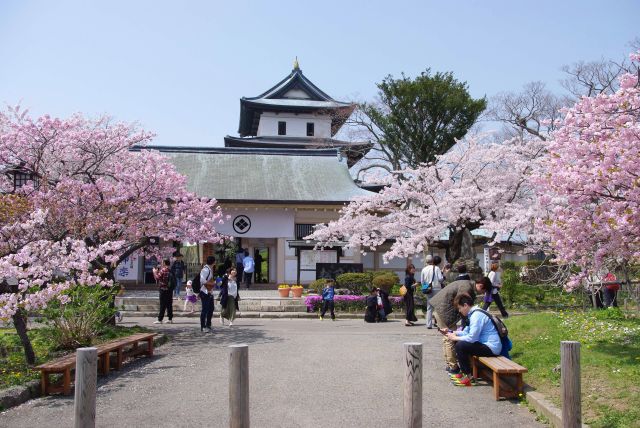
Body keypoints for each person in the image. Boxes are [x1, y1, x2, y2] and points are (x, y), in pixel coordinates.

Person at [446, 292, 502, 386]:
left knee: (461, 345)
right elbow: (467, 332)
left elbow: (472, 338)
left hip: (491, 347)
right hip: (484, 344)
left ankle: (468, 377)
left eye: (459, 308)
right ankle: (466, 372)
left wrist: (456, 337)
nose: (459, 311)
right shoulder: (473, 314)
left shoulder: (476, 316)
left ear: (465, 305)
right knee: (459, 342)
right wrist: (453, 332)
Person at [428, 278, 476, 374]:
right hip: (443, 310)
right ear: (480, 285)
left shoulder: (464, 283)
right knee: (449, 338)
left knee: (446, 338)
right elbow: (462, 303)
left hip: (440, 309)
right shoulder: (466, 287)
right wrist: (466, 318)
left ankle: (449, 365)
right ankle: (453, 366)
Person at [420, 256, 445, 329]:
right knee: (437, 307)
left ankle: (429, 324)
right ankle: (438, 323)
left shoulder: (424, 269)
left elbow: (422, 281)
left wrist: (426, 287)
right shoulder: (436, 268)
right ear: (432, 261)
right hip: (437, 288)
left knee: (429, 308)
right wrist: (444, 276)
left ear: (426, 261)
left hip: (428, 289)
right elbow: (440, 279)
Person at [199, 256, 216, 332]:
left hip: (209, 292)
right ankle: (203, 327)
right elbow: (202, 280)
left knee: (211, 308)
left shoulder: (209, 269)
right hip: (204, 292)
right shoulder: (205, 269)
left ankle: (208, 324)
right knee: (205, 310)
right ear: (213, 262)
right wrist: (211, 283)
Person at [153, 259, 173, 324]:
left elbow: (157, 278)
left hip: (163, 289)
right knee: (169, 304)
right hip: (170, 290)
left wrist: (154, 272)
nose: (161, 264)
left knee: (162, 305)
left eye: (162, 262)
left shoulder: (163, 270)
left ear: (164, 263)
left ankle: (160, 319)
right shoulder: (171, 270)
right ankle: (170, 319)